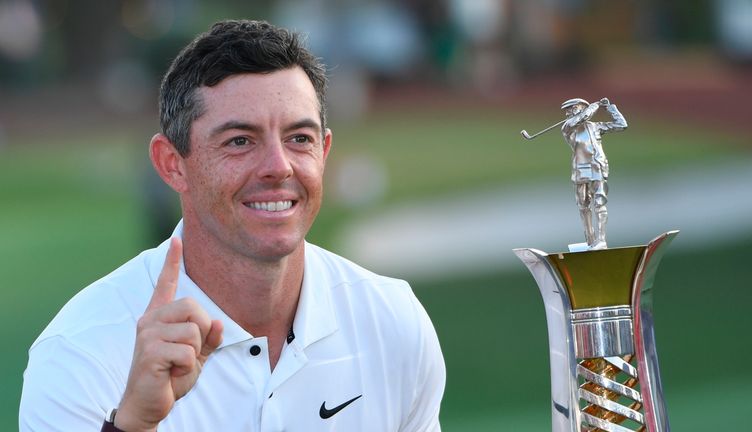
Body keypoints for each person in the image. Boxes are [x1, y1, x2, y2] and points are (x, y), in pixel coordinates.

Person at [20, 20, 445, 431]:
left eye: (300, 138)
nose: (278, 167)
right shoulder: (80, 353)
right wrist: (133, 426)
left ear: (324, 151)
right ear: (172, 165)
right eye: (239, 141)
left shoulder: (392, 321)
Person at [560, 97, 627, 250]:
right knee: (583, 206)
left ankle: (601, 240)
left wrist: (611, 108)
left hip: (597, 167)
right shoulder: (568, 127)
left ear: (582, 107)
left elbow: (622, 125)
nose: (567, 113)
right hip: (580, 170)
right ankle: (590, 240)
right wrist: (595, 105)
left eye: (572, 108)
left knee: (599, 203)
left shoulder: (595, 127)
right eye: (567, 110)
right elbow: (582, 117)